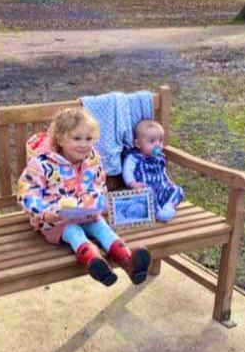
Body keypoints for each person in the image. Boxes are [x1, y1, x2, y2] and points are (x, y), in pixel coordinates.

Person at [17, 107, 152, 286]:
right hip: (55, 219)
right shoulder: (42, 164)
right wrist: (44, 213)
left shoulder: (91, 159)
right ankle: (94, 261)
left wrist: (97, 201)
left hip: (86, 213)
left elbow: (98, 184)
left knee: (102, 228)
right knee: (73, 232)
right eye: (77, 138)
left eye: (88, 138)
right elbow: (27, 192)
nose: (84, 144)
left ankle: (128, 261)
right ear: (60, 139)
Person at [122, 119, 185, 222]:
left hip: (162, 189)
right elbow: (127, 172)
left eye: (160, 140)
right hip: (146, 189)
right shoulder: (134, 157)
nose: (158, 145)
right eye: (152, 141)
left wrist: (168, 181)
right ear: (138, 144)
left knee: (178, 190)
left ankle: (168, 206)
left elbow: (162, 171)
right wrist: (132, 184)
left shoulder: (160, 157)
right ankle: (158, 212)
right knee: (147, 194)